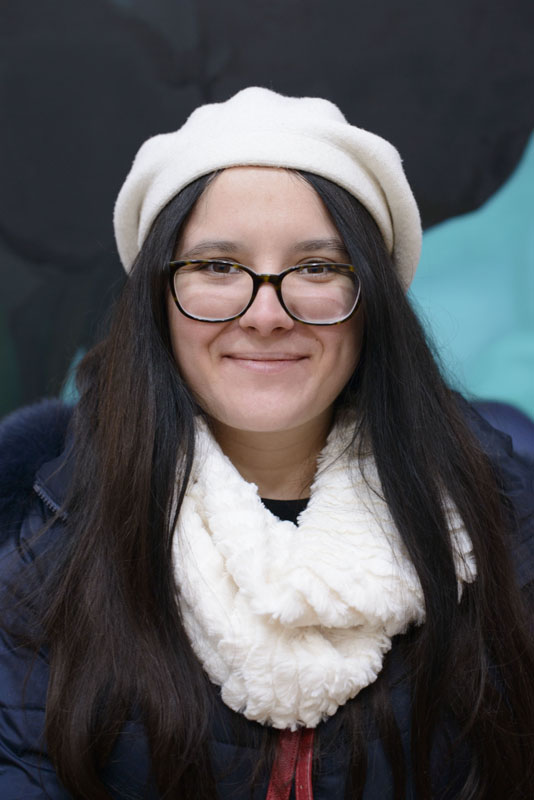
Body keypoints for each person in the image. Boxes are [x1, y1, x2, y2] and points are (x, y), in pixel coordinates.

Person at [0, 87, 533, 800]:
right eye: (218, 267)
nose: (266, 314)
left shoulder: (505, 534)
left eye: (316, 268)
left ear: (371, 300)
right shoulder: (43, 560)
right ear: (157, 298)